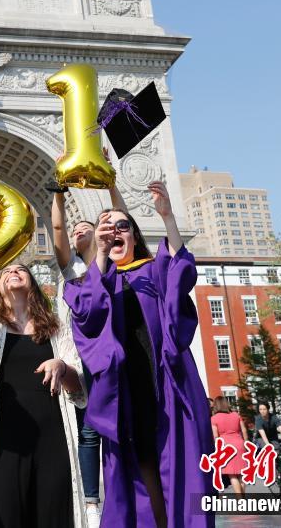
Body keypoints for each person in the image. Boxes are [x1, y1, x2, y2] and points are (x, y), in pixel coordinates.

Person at [63, 181, 214, 528]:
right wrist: (100, 253)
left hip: (167, 385)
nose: (115, 232)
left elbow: (179, 270)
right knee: (140, 473)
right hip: (124, 393)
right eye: (106, 228)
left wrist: (167, 217)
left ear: (134, 236)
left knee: (179, 468)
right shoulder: (94, 282)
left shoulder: (152, 271)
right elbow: (88, 313)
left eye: (123, 226)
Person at [0, 221, 87, 528]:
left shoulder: (57, 329)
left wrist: (62, 366)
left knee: (53, 515)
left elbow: (78, 385)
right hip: (4, 439)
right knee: (3, 515)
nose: (14, 271)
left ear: (33, 285)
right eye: (6, 272)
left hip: (52, 437)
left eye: (21, 270)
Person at [50, 158, 125, 528]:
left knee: (119, 423)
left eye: (86, 228)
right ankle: (92, 501)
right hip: (81, 356)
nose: (78, 231)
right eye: (76, 230)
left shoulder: (112, 262)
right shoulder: (71, 269)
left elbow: (126, 222)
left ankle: (121, 489)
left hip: (114, 352)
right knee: (91, 429)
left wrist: (111, 183)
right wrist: (58, 192)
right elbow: (58, 228)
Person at [209, 397, 248, 497]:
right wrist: (246, 443)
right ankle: (243, 497)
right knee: (241, 473)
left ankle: (240, 499)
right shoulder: (236, 415)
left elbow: (216, 436)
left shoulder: (214, 418)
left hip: (226, 447)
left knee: (232, 475)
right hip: (240, 444)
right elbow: (244, 430)